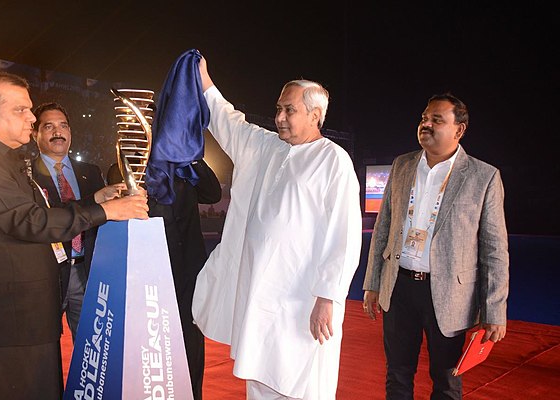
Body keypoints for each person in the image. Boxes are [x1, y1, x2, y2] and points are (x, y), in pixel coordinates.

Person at [0, 71, 149, 400]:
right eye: (20, 110)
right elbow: (29, 220)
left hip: (19, 320)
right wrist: (108, 212)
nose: (31, 119)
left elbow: (37, 212)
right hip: (4, 327)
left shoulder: (0, 160)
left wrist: (94, 201)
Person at [191, 56, 362, 399]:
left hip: (303, 299)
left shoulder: (333, 161)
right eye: (279, 109)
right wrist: (204, 81)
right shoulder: (266, 147)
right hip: (260, 293)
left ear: (315, 115)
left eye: (289, 110)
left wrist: (327, 296)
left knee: (301, 381)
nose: (280, 117)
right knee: (258, 371)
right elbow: (228, 121)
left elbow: (344, 236)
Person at [362, 93, 509, 399]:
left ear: (460, 129)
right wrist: (373, 282)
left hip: (450, 295)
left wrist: (494, 309)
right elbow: (383, 227)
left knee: (446, 382)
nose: (425, 124)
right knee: (397, 375)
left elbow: (494, 250)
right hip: (399, 289)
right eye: (423, 119)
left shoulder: (483, 177)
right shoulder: (402, 165)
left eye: (436, 120)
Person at [107, 158, 222, 400]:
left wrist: (192, 157)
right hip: (147, 273)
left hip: (188, 272)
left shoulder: (186, 166)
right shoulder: (124, 167)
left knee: (190, 345)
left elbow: (212, 194)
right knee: (151, 347)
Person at [31, 102, 118, 342]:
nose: (58, 132)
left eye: (63, 126)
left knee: (91, 346)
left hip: (86, 271)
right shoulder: (26, 175)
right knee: (43, 347)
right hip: (47, 275)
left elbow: (104, 217)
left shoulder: (90, 171)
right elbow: (45, 218)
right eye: (48, 127)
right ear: (34, 134)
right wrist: (94, 200)